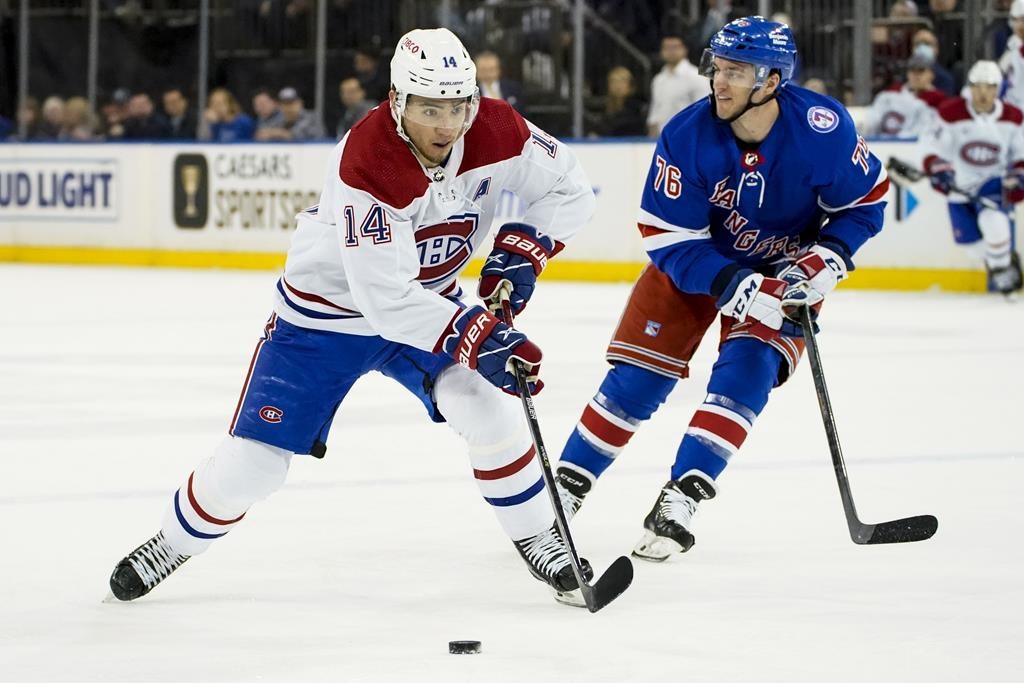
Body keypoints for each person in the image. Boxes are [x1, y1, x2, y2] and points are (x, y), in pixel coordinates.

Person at [108, 27, 597, 606]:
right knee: (255, 468)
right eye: (428, 107)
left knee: (489, 409)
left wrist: (524, 251)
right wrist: (475, 335)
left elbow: (570, 190)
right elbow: (383, 299)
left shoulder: (497, 128)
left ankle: (542, 538)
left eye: (458, 105)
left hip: (430, 303)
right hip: (326, 318)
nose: (446, 124)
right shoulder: (368, 159)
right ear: (397, 101)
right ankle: (172, 542)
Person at [553, 16, 889, 561]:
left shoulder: (822, 131)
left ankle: (682, 495)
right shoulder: (687, 134)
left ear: (773, 80)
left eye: (737, 71)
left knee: (747, 374)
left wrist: (830, 257)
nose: (720, 81)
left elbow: (864, 202)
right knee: (638, 379)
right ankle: (566, 488)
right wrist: (732, 283)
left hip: (785, 272)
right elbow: (667, 238)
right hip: (696, 268)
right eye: (719, 67)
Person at [920, 60, 1024, 296]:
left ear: (998, 89)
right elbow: (932, 147)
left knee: (994, 222)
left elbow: (1021, 153)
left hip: (993, 183)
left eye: (989, 87)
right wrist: (939, 170)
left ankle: (1003, 274)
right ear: (970, 87)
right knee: (970, 247)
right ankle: (1002, 259)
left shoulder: (1014, 117)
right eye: (978, 86)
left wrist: (1019, 175)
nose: (983, 92)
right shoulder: (950, 112)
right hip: (960, 187)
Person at [862, 54, 946, 138]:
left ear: (931, 74)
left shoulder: (939, 99)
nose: (916, 75)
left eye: (921, 71)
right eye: (912, 71)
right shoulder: (893, 92)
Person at [647, 34, 707, 137]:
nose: (671, 51)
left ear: (684, 49)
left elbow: (704, 112)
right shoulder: (659, 79)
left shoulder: (696, 77)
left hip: (687, 138)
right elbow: (655, 113)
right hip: (662, 140)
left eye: (675, 47)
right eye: (666, 48)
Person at [254, 87, 325, 141]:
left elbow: (299, 136)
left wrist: (279, 133)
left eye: (292, 103)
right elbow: (261, 134)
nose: (289, 107)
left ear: (300, 103)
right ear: (280, 106)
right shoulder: (278, 119)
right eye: (285, 104)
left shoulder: (311, 117)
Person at [999, 0, 1024, 108]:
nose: (1019, 25)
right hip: (1012, 103)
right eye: (1014, 19)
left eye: (1023, 19)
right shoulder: (1012, 43)